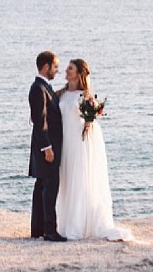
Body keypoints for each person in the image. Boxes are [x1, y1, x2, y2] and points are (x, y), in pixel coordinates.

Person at [54, 58, 134, 241]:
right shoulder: (61, 94)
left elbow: (91, 116)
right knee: (68, 180)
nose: (66, 70)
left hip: (82, 141)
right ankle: (67, 222)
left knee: (82, 178)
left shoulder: (86, 95)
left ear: (79, 73)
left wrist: (89, 121)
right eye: (67, 67)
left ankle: (83, 224)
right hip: (67, 142)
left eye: (70, 68)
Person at [28, 51, 67, 241]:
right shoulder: (38, 89)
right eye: (56, 66)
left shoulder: (44, 88)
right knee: (49, 187)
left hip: (45, 147)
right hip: (46, 148)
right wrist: (47, 148)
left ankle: (38, 230)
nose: (57, 70)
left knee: (41, 187)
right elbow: (40, 121)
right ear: (46, 67)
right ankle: (49, 231)